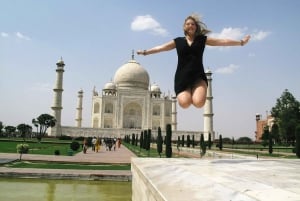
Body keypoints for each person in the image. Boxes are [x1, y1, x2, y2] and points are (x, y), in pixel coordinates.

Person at [137, 14, 250, 109]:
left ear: (196, 27)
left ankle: (195, 90)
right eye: (188, 24)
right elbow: (161, 48)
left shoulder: (202, 40)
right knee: (185, 103)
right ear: (184, 27)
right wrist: (146, 52)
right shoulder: (178, 41)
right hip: (182, 77)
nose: (190, 26)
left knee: (199, 103)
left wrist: (240, 42)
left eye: (193, 24)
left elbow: (222, 41)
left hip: (198, 76)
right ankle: (189, 91)